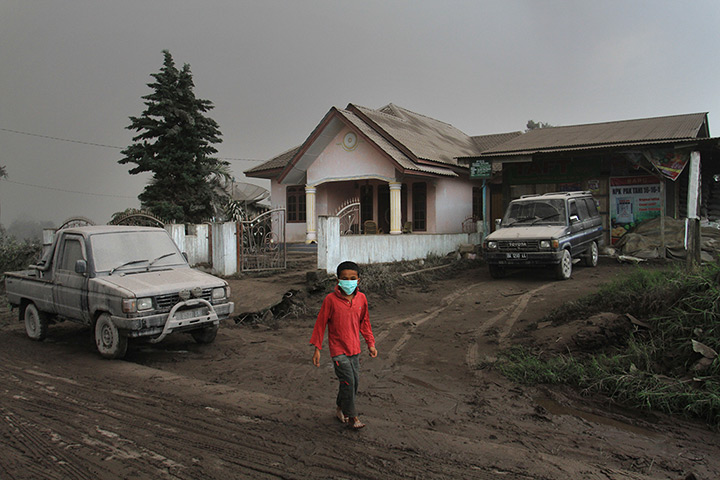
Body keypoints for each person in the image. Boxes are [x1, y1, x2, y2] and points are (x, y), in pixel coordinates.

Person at [310, 260, 378, 429]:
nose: (349, 281)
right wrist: (317, 349)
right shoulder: (330, 300)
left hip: (355, 349)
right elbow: (320, 324)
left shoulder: (361, 299)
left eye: (352, 278)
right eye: (345, 278)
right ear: (338, 280)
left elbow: (365, 323)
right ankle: (353, 416)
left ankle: (340, 407)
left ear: (358, 280)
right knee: (349, 381)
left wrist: (370, 344)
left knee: (352, 382)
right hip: (338, 350)